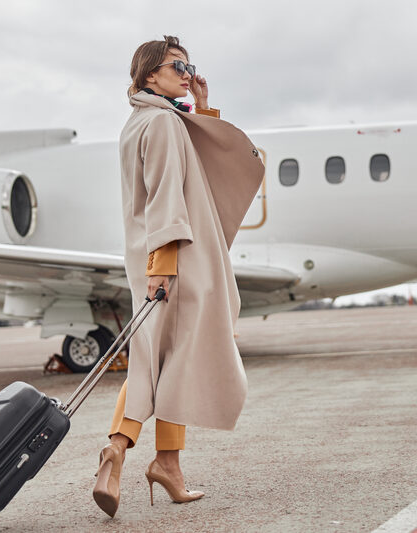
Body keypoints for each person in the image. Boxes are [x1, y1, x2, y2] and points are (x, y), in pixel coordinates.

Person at [92, 35, 264, 518]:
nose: (187, 73)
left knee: (161, 358)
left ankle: (157, 460)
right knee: (173, 359)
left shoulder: (139, 122)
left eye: (190, 66)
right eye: (177, 65)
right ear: (150, 74)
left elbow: (189, 173)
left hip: (152, 257)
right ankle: (129, 450)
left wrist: (203, 111)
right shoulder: (164, 123)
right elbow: (169, 194)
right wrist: (163, 267)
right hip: (175, 261)